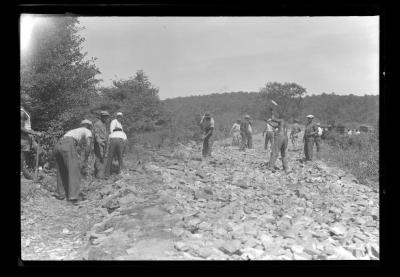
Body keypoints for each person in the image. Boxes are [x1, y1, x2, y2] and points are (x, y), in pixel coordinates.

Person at [53, 120, 92, 203]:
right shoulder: (87, 130)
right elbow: (88, 145)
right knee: (74, 170)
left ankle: (61, 194)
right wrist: (85, 159)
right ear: (88, 126)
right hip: (68, 144)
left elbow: (75, 147)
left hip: (58, 145)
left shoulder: (74, 131)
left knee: (61, 170)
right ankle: (74, 196)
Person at [21, 108, 41, 180]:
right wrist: (34, 133)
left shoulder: (26, 111)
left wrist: (34, 133)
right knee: (22, 158)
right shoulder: (22, 113)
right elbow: (21, 127)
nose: (29, 102)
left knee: (40, 151)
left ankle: (38, 171)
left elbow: (27, 127)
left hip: (29, 136)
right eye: (27, 100)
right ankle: (27, 176)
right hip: (24, 137)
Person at [93, 111, 110, 179]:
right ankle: (99, 176)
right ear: (101, 116)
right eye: (104, 116)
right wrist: (100, 143)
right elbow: (96, 135)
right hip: (99, 145)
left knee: (104, 159)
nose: (106, 118)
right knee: (100, 159)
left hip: (104, 144)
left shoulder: (104, 124)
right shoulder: (97, 124)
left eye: (106, 117)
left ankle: (101, 175)